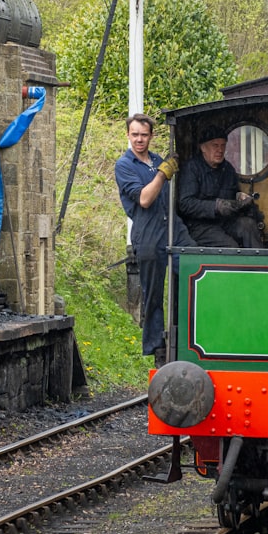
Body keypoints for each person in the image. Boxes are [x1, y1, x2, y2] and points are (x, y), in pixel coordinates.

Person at [114, 113, 194, 365]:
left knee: (194, 275)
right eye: (135, 134)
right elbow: (145, 199)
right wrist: (162, 174)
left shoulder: (159, 160)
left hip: (173, 226)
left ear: (151, 136)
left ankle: (187, 339)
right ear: (128, 135)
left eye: (144, 135)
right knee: (153, 294)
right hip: (147, 232)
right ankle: (157, 349)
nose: (139, 139)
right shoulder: (124, 165)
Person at [177, 126, 263, 248]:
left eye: (223, 145)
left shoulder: (228, 169)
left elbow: (234, 192)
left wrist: (240, 197)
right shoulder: (192, 168)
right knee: (230, 247)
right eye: (215, 145)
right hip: (200, 226)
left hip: (225, 221)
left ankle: (260, 265)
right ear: (203, 148)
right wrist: (215, 206)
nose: (220, 150)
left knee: (248, 225)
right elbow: (185, 204)